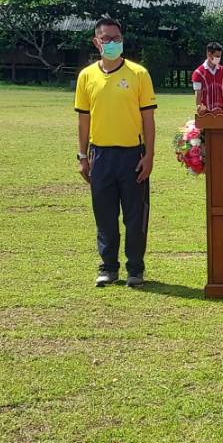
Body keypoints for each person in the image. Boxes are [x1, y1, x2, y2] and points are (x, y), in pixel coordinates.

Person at [74, 16, 156, 288]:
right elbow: (83, 119)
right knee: (105, 215)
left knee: (135, 216)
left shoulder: (139, 74)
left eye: (117, 39)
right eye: (107, 39)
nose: (112, 43)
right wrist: (82, 156)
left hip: (133, 155)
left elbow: (148, 119)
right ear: (96, 42)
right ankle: (108, 267)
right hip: (100, 156)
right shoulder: (86, 76)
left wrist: (149, 156)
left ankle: (135, 269)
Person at [191, 43, 223, 113]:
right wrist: (199, 108)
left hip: (221, 112)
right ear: (209, 54)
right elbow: (198, 93)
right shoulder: (198, 73)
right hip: (206, 112)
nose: (218, 58)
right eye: (217, 56)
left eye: (220, 56)